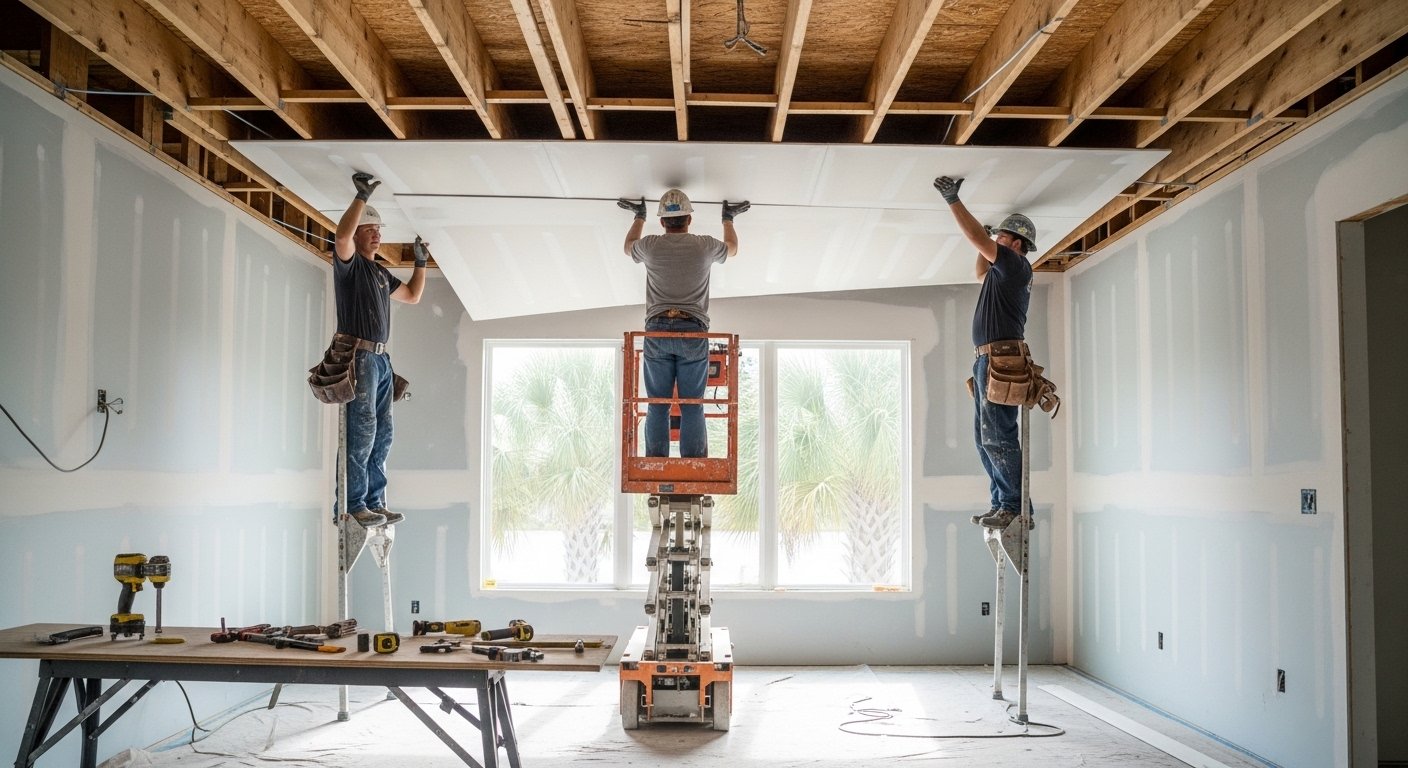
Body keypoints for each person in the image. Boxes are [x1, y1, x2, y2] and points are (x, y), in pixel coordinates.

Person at [934, 175, 1037, 530]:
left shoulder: (1015, 265)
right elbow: (979, 269)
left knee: (998, 435)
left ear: (1017, 244)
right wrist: (989, 242)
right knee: (984, 438)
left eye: (1003, 237)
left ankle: (1014, 506)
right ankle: (1001, 503)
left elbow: (976, 237)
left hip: (1000, 361)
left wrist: (953, 200)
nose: (996, 241)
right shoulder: (1000, 271)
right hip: (988, 360)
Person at [618, 189, 749, 457]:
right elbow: (733, 250)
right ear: (689, 219)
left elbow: (628, 245)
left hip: (657, 332)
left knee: (657, 404)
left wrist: (639, 217)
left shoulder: (651, 245)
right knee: (692, 405)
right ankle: (693, 462)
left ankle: (656, 461)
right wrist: (728, 219)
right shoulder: (703, 245)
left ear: (663, 222)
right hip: (693, 331)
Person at [331, 171, 429, 528]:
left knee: (383, 433)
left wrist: (420, 262)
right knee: (363, 429)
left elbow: (414, 296)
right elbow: (341, 236)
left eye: (378, 230)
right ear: (358, 235)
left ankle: (374, 501)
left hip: (382, 360)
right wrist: (361, 199)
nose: (377, 234)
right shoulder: (350, 267)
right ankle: (354, 504)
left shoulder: (380, 274)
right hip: (359, 356)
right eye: (370, 229)